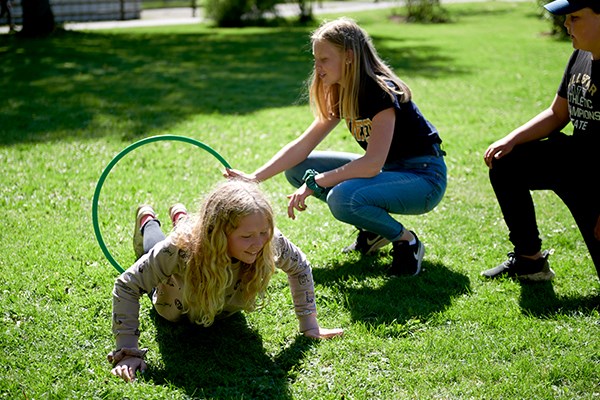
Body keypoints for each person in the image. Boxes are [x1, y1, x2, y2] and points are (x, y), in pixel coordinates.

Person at [226, 17, 447, 276]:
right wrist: (254, 178)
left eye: (324, 59)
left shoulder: (380, 92)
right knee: (298, 169)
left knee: (341, 197)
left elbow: (372, 163)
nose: (317, 67)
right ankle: (374, 232)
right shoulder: (342, 91)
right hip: (388, 172)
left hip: (423, 178)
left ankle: (405, 240)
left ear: (349, 57)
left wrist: (317, 181)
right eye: (315, 59)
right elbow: (303, 146)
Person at [108, 179, 343, 382]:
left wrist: (309, 325)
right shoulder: (179, 249)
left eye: (263, 233)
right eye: (247, 236)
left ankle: (182, 216)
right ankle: (148, 220)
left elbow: (300, 266)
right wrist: (128, 351)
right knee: (158, 248)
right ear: (218, 233)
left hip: (222, 308)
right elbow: (127, 285)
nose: (259, 243)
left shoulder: (267, 241)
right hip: (174, 302)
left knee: (179, 240)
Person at [481, 0, 600, 281]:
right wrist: (511, 140)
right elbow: (558, 113)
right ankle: (529, 261)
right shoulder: (581, 55)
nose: (566, 24)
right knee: (506, 163)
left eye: (575, 17)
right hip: (574, 161)